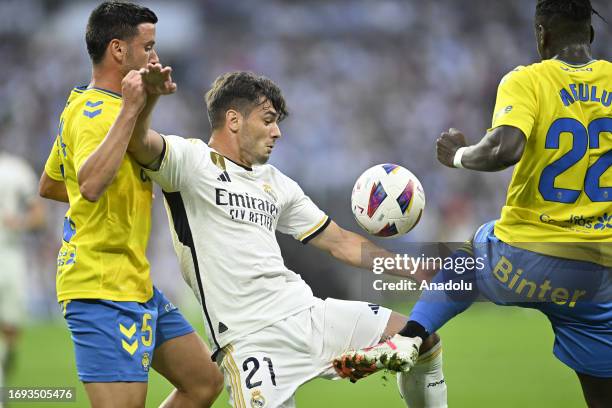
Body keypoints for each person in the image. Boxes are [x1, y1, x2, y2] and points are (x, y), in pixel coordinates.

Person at [125, 70, 448, 407]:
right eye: (268, 120)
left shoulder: (278, 184)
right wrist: (148, 100)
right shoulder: (190, 161)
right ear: (233, 120)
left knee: (421, 340)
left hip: (306, 313)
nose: (277, 132)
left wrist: (414, 268)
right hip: (248, 341)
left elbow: (339, 242)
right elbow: (139, 143)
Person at [344, 0, 612, 406]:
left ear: (542, 34)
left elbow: (504, 149)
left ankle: (408, 338)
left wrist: (457, 155)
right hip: (593, 273)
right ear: (590, 34)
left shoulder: (528, 79)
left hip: (523, 257)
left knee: (465, 260)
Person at [38, 2, 223, 407]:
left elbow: (53, 183)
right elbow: (86, 184)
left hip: (134, 281)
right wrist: (132, 107)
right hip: (100, 288)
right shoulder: (95, 113)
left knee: (204, 382)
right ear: (118, 50)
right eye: (148, 47)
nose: (156, 57)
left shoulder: (86, 105)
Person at [0, 150, 45, 398]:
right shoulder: (17, 168)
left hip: (9, 255)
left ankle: (4, 377)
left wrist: (18, 223)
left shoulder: (16, 169)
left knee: (11, 328)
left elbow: (38, 216)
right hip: (9, 257)